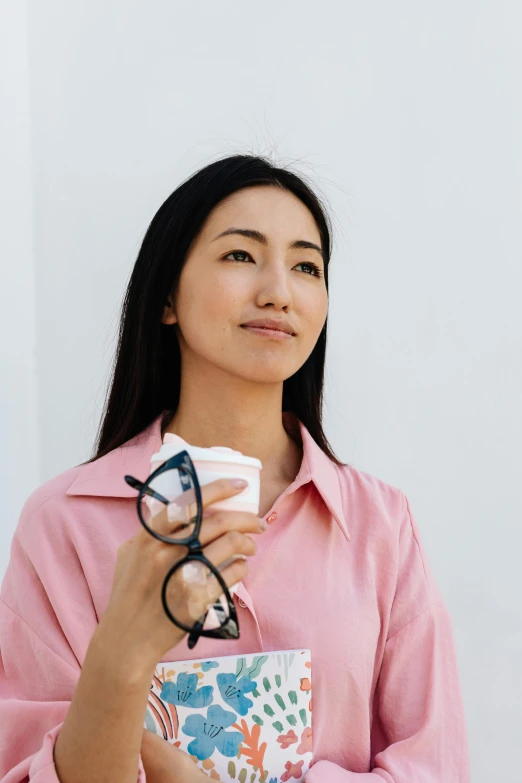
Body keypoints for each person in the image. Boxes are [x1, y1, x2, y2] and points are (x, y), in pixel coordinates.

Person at [0, 154, 470, 782]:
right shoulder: (64, 524)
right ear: (166, 296)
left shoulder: (380, 523)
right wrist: (124, 654)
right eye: (241, 256)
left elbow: (434, 768)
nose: (278, 290)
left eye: (306, 266)